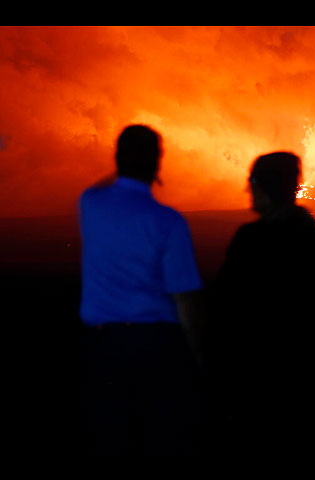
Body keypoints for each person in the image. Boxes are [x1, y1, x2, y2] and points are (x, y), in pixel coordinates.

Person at [80, 124, 205, 456]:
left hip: (101, 345)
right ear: (157, 162)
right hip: (156, 347)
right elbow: (185, 297)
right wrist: (198, 355)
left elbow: (102, 186)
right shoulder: (168, 222)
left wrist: (127, 170)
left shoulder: (90, 204)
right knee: (159, 438)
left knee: (110, 438)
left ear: (118, 158)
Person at [212, 151, 315, 447]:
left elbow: (226, 303)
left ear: (264, 186)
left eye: (252, 181)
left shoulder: (251, 240)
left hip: (256, 375)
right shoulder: (314, 237)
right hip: (302, 371)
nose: (247, 190)